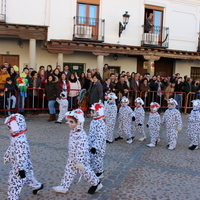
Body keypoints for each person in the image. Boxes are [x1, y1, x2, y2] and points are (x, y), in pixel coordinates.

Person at [52, 109, 103, 194]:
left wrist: (79, 161)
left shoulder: (81, 135)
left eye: (71, 122)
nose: (69, 123)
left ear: (78, 122)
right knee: (68, 170)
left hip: (81, 159)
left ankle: (96, 183)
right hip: (73, 157)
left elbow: (81, 148)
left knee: (86, 172)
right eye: (69, 121)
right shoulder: (73, 131)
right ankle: (64, 186)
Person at [4, 113, 43, 200]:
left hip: (19, 166)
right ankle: (37, 185)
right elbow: (11, 147)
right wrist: (7, 156)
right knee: (26, 178)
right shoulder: (15, 136)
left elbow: (22, 155)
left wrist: (20, 169)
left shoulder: (21, 140)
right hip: (17, 165)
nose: (9, 129)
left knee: (14, 182)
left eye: (10, 127)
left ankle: (12, 197)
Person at [88, 102, 106, 178]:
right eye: (91, 111)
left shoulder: (101, 123)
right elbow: (91, 133)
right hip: (92, 144)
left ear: (98, 112)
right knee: (92, 157)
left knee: (98, 159)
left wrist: (95, 146)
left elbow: (100, 136)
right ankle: (92, 169)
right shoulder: (93, 121)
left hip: (99, 146)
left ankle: (100, 171)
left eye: (93, 111)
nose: (91, 112)